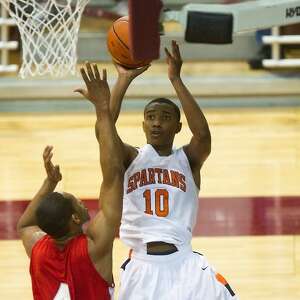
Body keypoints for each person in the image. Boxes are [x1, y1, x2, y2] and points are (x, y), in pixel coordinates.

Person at [109, 40, 238, 300]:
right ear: (143, 124)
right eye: (151, 117)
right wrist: (123, 80)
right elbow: (104, 132)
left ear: (178, 127)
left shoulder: (187, 160)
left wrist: (176, 79)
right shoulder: (130, 157)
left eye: (165, 118)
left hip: (184, 262)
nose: (157, 123)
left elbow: (202, 135)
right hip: (141, 265)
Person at [17, 64, 124, 300]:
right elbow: (114, 174)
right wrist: (103, 108)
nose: (82, 202)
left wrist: (49, 182)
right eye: (76, 201)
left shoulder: (37, 249)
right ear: (75, 218)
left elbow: (24, 225)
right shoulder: (94, 248)